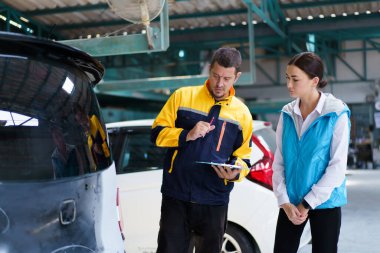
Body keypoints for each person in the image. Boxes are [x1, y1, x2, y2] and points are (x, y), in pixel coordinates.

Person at [151, 47, 253, 253]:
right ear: (209, 70)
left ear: (237, 77)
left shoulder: (242, 115)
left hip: (214, 201)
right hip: (176, 196)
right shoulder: (181, 97)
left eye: (226, 78)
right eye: (216, 76)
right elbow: (156, 134)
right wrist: (185, 135)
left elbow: (244, 158)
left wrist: (235, 172)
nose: (220, 83)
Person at [272, 52, 351, 253]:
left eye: (295, 79)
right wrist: (284, 201)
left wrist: (307, 204)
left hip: (325, 202)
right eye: (287, 78)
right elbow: (279, 162)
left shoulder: (336, 114)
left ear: (314, 81)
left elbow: (337, 166)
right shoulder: (287, 114)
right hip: (291, 202)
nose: (289, 85)